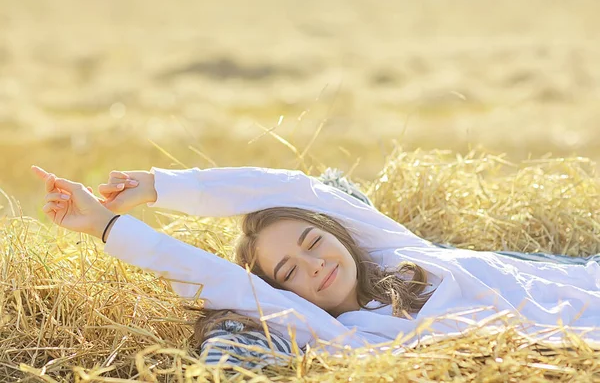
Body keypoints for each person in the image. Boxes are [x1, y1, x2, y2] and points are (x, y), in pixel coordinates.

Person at [31, 165, 600, 367]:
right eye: (286, 273)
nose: (312, 264)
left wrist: (157, 187)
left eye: (310, 241)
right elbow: (216, 276)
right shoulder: (339, 336)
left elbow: (296, 187)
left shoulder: (395, 251)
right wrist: (107, 226)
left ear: (335, 230)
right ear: (284, 296)